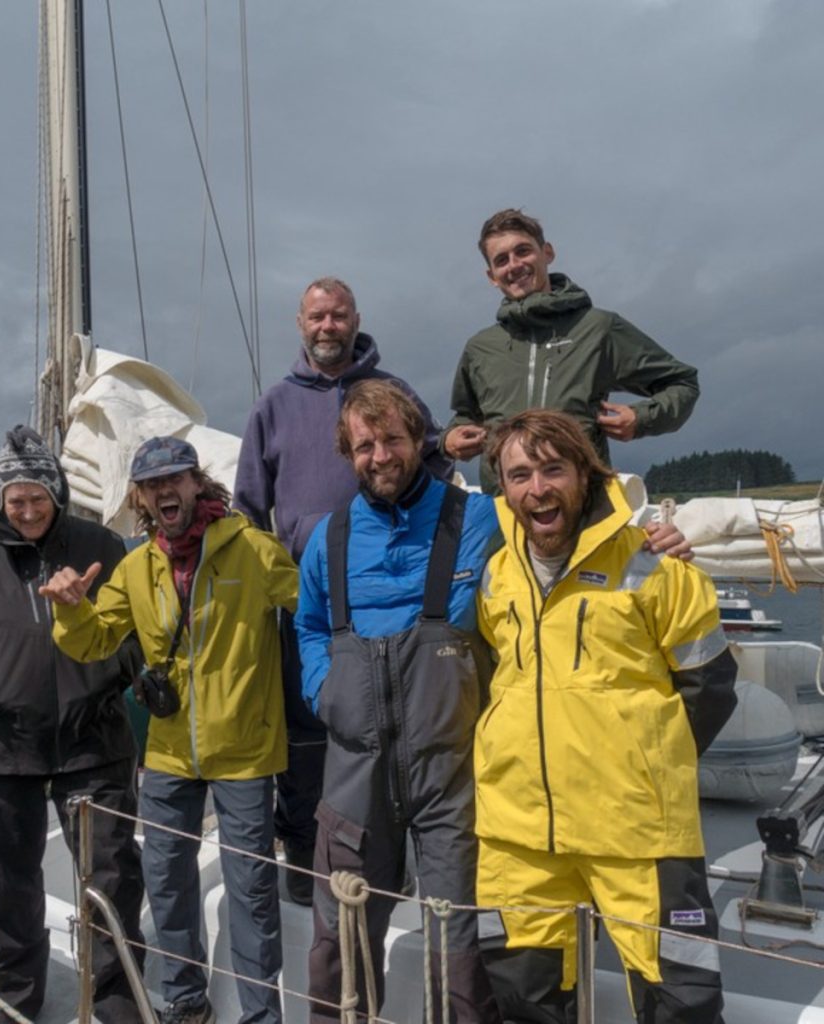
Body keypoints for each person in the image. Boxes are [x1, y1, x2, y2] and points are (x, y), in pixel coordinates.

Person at [474, 409, 738, 1024]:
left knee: (681, 1005)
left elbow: (711, 684)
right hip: (520, 832)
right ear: (503, 489)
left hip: (637, 830)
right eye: (518, 475)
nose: (536, 488)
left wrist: (644, 764)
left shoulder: (656, 566)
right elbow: (500, 680)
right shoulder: (496, 575)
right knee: (524, 1001)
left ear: (586, 475)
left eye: (551, 469)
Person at [41, 436, 297, 1024]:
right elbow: (93, 641)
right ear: (141, 496)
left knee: (253, 892)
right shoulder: (135, 568)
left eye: (175, 479)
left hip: (247, 751)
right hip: (169, 754)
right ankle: (186, 1000)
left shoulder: (254, 551)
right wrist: (71, 608)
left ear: (196, 482)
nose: (165, 491)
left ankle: (261, 1015)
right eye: (152, 484)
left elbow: (310, 606)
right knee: (166, 881)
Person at [234, 276, 452, 905]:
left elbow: (434, 476)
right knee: (307, 738)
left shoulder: (392, 393)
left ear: (357, 318)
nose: (327, 326)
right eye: (317, 317)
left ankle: (397, 864)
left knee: (394, 736)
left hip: (395, 600)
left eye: (338, 316)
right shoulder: (272, 407)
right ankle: (306, 863)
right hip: (311, 605)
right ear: (299, 323)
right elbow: (249, 514)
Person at [296, 379, 501, 1023]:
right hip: (353, 772)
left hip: (453, 773)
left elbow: (562, 543)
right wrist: (324, 691)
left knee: (461, 943)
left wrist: (656, 543)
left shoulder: (481, 520)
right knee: (342, 944)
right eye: (364, 445)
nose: (379, 456)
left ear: (420, 439)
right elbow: (307, 627)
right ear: (347, 453)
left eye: (391, 439)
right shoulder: (326, 540)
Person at [0, 425, 145, 1024]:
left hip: (94, 745)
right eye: (15, 500)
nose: (26, 511)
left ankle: (118, 1001)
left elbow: (137, 633)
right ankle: (16, 1002)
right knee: (9, 888)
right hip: (4, 749)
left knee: (112, 881)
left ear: (57, 493)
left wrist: (106, 679)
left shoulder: (101, 544)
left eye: (37, 498)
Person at [444, 208, 700, 491]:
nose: (514, 265)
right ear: (492, 275)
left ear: (547, 252)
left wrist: (641, 419)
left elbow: (682, 384)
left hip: (581, 506)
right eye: (502, 260)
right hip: (503, 509)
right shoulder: (480, 348)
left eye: (523, 251)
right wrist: (450, 438)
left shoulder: (598, 328)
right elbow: (466, 416)